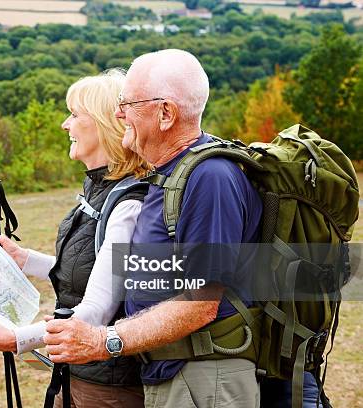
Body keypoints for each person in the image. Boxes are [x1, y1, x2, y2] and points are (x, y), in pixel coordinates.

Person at [43, 49, 264, 408]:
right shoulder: (170, 176)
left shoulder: (210, 178)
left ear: (165, 113)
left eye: (128, 103)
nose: (118, 114)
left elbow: (200, 303)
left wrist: (105, 341)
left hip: (203, 379)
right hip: (175, 374)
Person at [0, 69, 150, 407]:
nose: (65, 124)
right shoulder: (102, 192)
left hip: (107, 390)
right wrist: (24, 259)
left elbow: (97, 312)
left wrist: (14, 339)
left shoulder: (127, 205)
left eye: (74, 114)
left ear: (103, 124)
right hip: (80, 375)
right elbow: (91, 270)